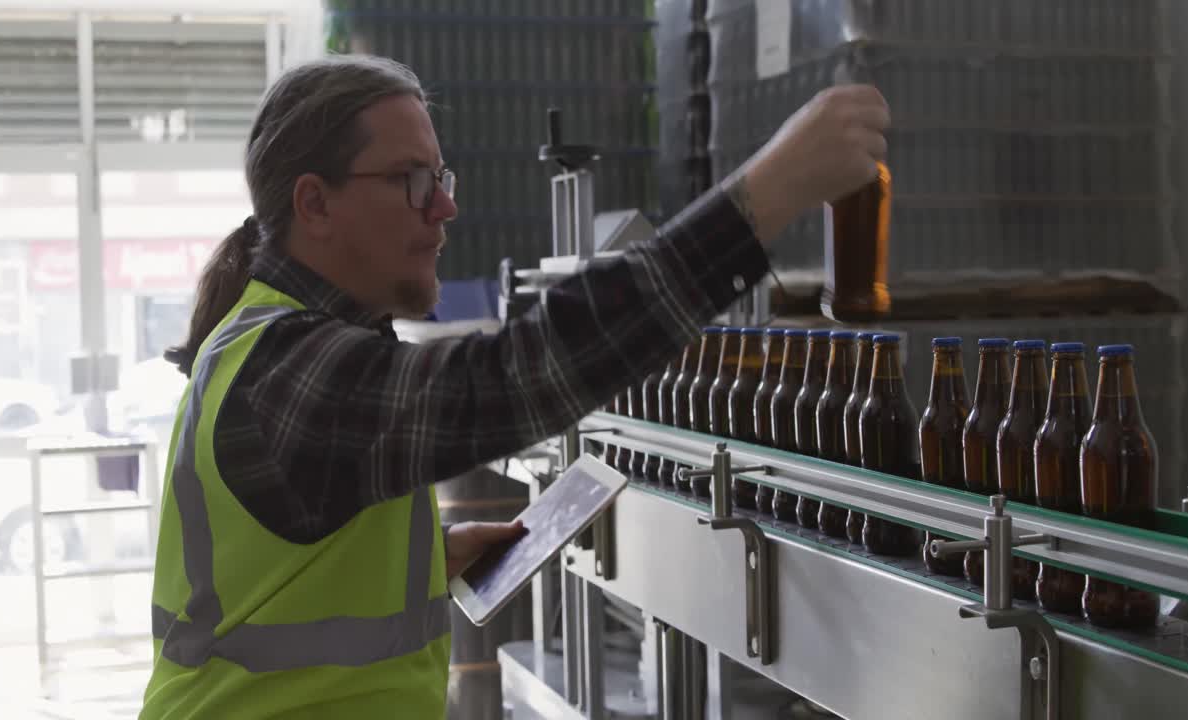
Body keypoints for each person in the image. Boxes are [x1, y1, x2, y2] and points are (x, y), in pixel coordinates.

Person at [139, 54, 889, 719]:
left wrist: (416, 563)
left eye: (442, 179)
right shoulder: (286, 369)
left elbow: (272, 586)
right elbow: (512, 377)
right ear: (315, 204)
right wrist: (768, 193)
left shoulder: (283, 344)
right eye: (413, 181)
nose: (445, 208)